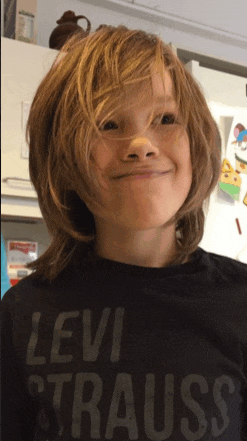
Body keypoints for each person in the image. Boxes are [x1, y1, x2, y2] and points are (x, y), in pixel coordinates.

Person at [1, 25, 246, 441]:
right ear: (63, 159)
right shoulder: (22, 313)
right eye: (108, 124)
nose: (140, 143)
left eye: (165, 118)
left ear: (198, 142)